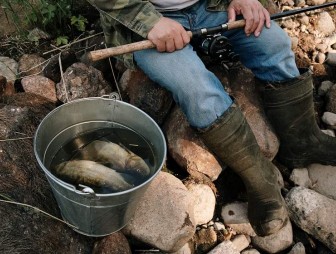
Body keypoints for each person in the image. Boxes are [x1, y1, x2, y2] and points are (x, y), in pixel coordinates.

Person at [89, 0, 336, 236]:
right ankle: (261, 181)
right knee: (196, 89)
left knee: (275, 44)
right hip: (149, 25)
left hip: (214, 7)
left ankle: (303, 141)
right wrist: (149, 22)